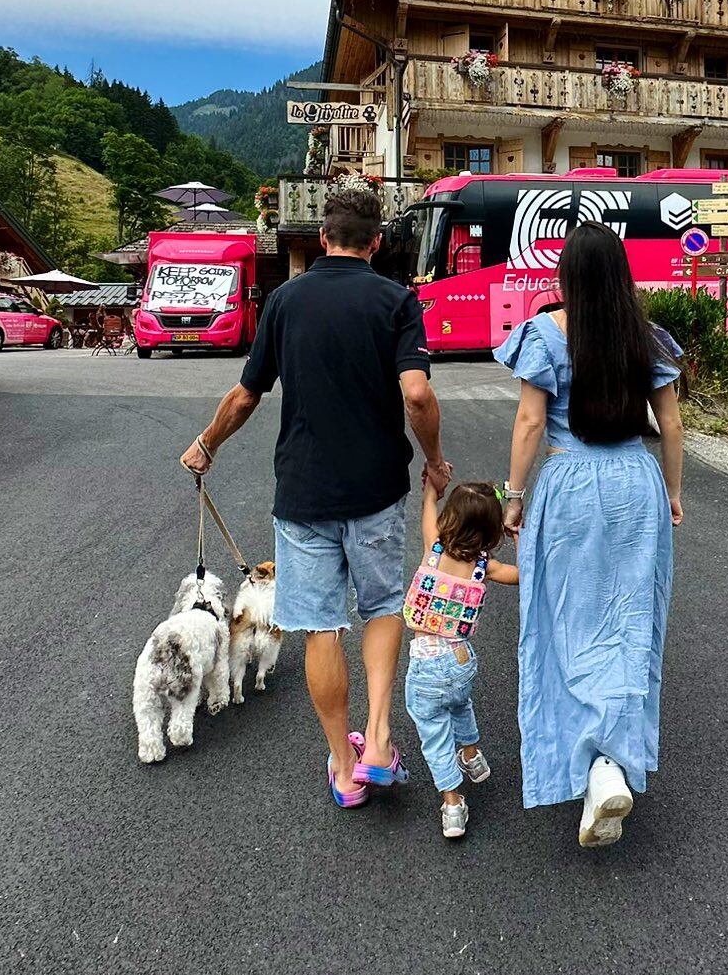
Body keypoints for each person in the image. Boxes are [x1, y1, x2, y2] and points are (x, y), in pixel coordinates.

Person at [179, 187, 450, 808]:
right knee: (383, 607)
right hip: (378, 488)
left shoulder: (284, 301)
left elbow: (246, 394)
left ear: (323, 237)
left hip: (303, 493)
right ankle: (380, 740)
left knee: (319, 625)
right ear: (376, 242)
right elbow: (417, 396)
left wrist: (206, 443)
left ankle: (344, 764)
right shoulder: (397, 301)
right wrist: (434, 462)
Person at [494, 222, 684, 850]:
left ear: (567, 275)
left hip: (569, 484)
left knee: (566, 621)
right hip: (636, 482)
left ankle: (592, 763)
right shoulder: (648, 338)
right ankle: (614, 760)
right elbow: (672, 424)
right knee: (629, 622)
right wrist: (674, 491)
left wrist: (514, 498)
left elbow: (528, 422)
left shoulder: (546, 333)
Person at [402, 477, 518, 839]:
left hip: (426, 663)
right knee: (460, 704)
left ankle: (453, 803)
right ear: (492, 530)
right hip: (462, 659)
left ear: (449, 518)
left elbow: (427, 510)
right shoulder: (487, 568)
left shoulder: (432, 547)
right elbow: (525, 575)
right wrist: (520, 540)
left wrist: (431, 487)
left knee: (434, 730)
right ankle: (471, 755)